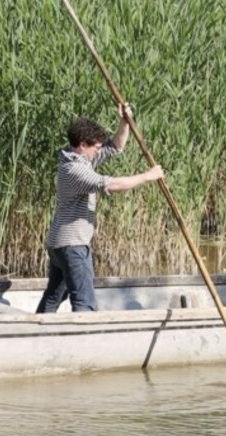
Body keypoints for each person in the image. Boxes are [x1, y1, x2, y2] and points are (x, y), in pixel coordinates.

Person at [36, 104, 163, 313]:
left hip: (59, 243)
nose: (99, 150)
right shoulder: (74, 170)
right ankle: (84, 339)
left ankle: (36, 332)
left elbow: (115, 147)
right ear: (83, 145)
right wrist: (149, 176)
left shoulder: (77, 158)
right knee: (84, 301)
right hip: (72, 244)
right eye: (96, 146)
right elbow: (112, 185)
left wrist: (124, 121)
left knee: (54, 295)